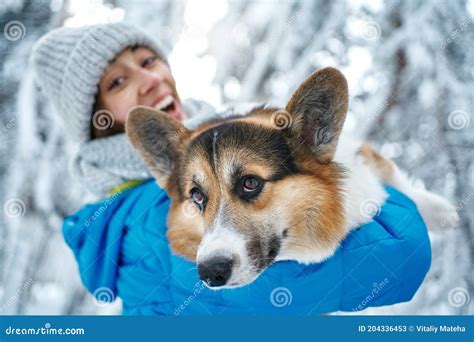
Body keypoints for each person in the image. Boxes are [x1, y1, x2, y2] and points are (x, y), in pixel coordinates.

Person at [32, 22, 431, 315]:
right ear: (94, 120)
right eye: (118, 82)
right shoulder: (150, 217)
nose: (151, 80)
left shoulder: (213, 149)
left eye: (149, 60)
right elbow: (400, 254)